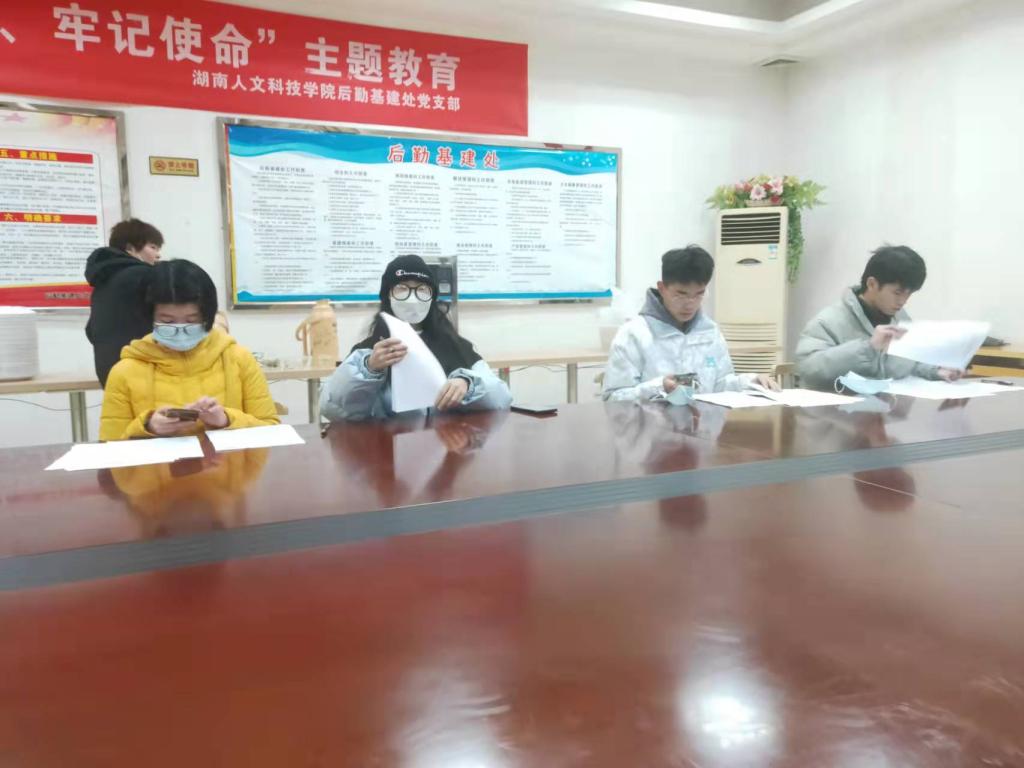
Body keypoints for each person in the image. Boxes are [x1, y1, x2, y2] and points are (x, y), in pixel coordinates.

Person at [99, 259, 279, 441]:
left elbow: (272, 430)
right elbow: (110, 446)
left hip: (229, 460)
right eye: (168, 321)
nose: (181, 329)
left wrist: (226, 420)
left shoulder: (239, 360)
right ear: (149, 317)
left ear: (208, 316)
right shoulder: (124, 372)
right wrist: (147, 426)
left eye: (192, 320)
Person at [321, 254, 512, 421]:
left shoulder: (456, 347)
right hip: (387, 446)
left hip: (447, 444)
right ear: (387, 296)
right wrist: (369, 369)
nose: (412, 297)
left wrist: (468, 385)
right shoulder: (370, 351)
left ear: (432, 297)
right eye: (402, 288)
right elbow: (332, 409)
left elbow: (501, 399)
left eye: (422, 289)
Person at [602, 245, 778, 401]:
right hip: (653, 427)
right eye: (681, 294)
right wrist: (659, 387)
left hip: (703, 426)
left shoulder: (709, 331)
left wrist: (750, 381)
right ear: (662, 288)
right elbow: (613, 398)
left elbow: (720, 384)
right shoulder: (634, 334)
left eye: (699, 294)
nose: (690, 304)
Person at [796, 245, 962, 391]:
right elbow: (807, 369)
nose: (903, 301)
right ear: (872, 284)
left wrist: (936, 370)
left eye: (909, 294)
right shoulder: (828, 321)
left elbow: (911, 361)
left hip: (887, 411)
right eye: (897, 293)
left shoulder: (900, 317)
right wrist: (868, 348)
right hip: (839, 413)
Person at [85, 218, 165, 386]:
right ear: (130, 248)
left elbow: (91, 330)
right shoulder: (144, 276)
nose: (158, 255)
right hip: (142, 372)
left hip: (109, 373)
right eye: (153, 247)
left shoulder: (103, 282)